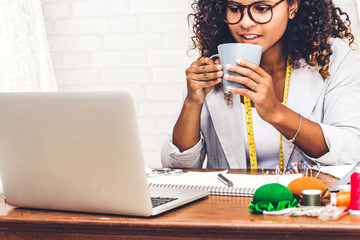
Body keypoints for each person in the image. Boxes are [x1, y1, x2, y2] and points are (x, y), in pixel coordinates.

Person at [161, 0, 360, 169]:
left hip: (306, 207)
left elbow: (353, 149)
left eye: (262, 8)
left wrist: (277, 113)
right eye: (235, 8)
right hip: (230, 206)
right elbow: (177, 168)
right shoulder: (216, 64)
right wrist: (191, 103)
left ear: (292, 6)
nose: (245, 23)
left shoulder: (330, 58)